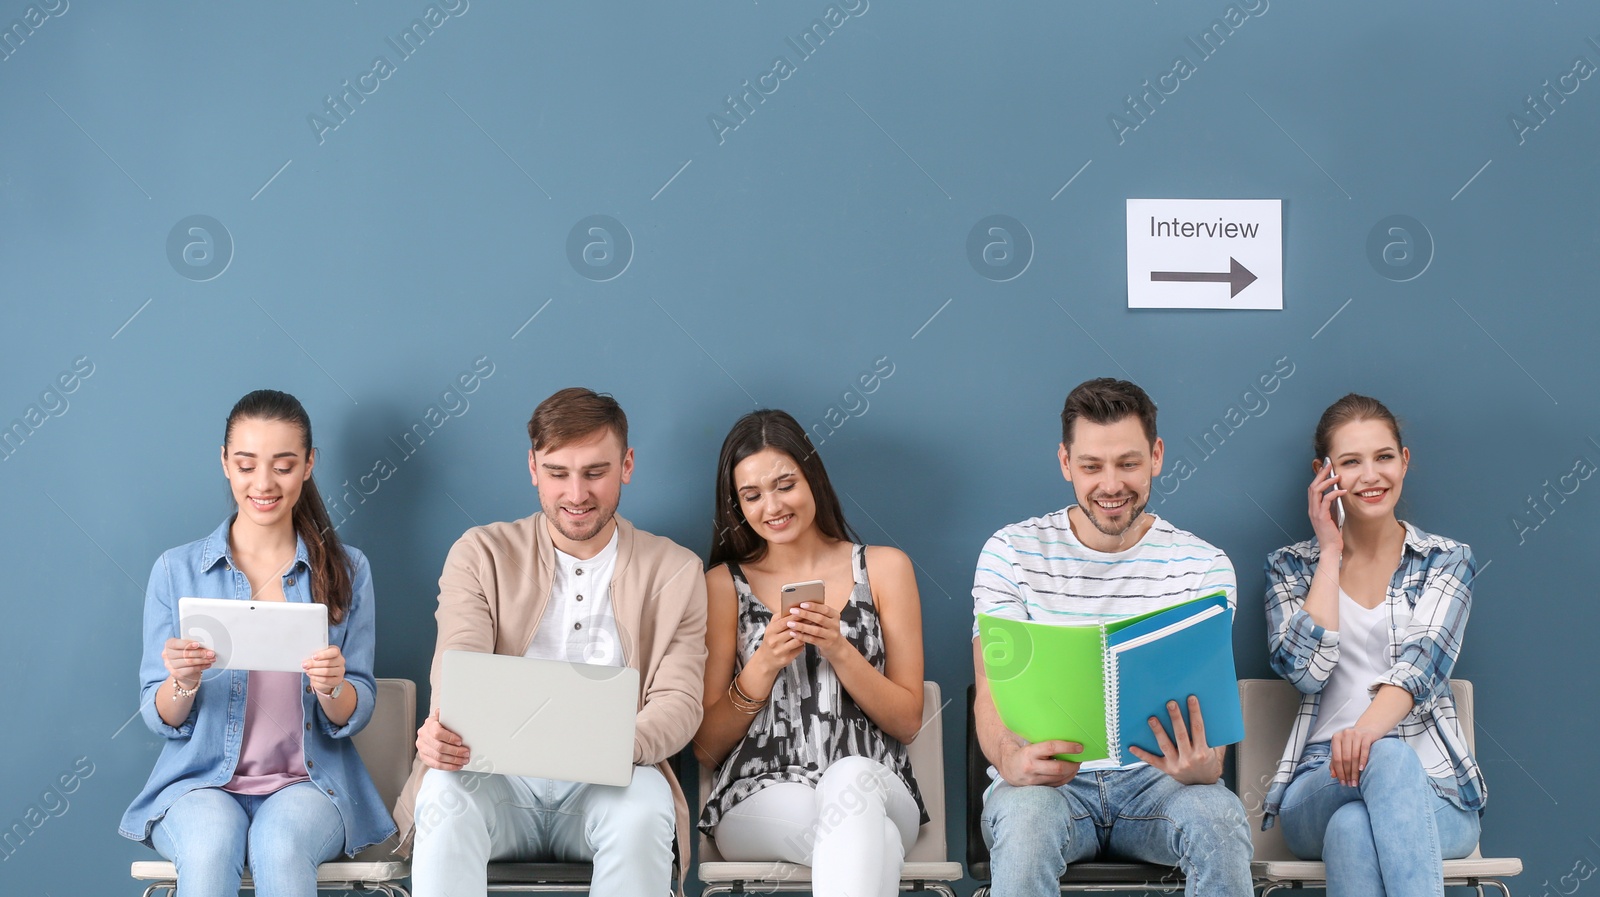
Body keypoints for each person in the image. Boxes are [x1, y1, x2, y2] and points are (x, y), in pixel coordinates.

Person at [392, 387, 707, 897]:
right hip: (499, 780)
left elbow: (679, 701)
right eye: (558, 473)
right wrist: (443, 732)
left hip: (609, 782)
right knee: (444, 791)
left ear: (627, 465)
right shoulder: (481, 554)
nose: (577, 494)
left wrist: (611, 746)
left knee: (647, 803)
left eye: (595, 472)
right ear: (534, 468)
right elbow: (458, 668)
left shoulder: (675, 571)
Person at [972, 378, 1253, 897]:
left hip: (1158, 783)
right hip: (1049, 781)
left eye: (1128, 463)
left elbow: (1212, 748)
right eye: (1091, 466)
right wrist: (1011, 759)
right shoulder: (1010, 551)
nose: (1110, 485)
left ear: (1157, 456)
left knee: (1219, 818)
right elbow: (989, 688)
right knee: (1028, 825)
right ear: (1065, 462)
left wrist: (1203, 765)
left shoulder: (1204, 566)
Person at [118, 389, 394, 896]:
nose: (263, 484)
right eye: (246, 465)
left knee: (280, 844)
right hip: (199, 783)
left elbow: (358, 707)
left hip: (309, 785)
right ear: (225, 463)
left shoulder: (349, 569)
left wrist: (333, 687)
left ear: (309, 464)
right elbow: (161, 717)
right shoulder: (176, 571)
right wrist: (181, 682)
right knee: (208, 843)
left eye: (283, 465)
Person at [694, 410, 927, 897]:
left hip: (876, 783)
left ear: (812, 480)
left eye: (785, 485)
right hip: (759, 793)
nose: (772, 506)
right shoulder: (723, 585)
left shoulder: (885, 568)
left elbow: (907, 721)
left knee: (851, 778)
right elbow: (706, 748)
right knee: (872, 839)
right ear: (736, 505)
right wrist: (763, 664)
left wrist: (838, 648)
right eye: (751, 495)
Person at [1263, 394, 1484, 896]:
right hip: (1322, 780)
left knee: (1354, 827)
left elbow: (1421, 667)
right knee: (1370, 778)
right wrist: (1329, 552)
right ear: (1325, 473)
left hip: (1436, 788)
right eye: (1350, 462)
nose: (1370, 475)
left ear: (1404, 461)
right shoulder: (1289, 568)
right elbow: (1306, 671)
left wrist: (1365, 737)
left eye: (1384, 457)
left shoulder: (1446, 560)